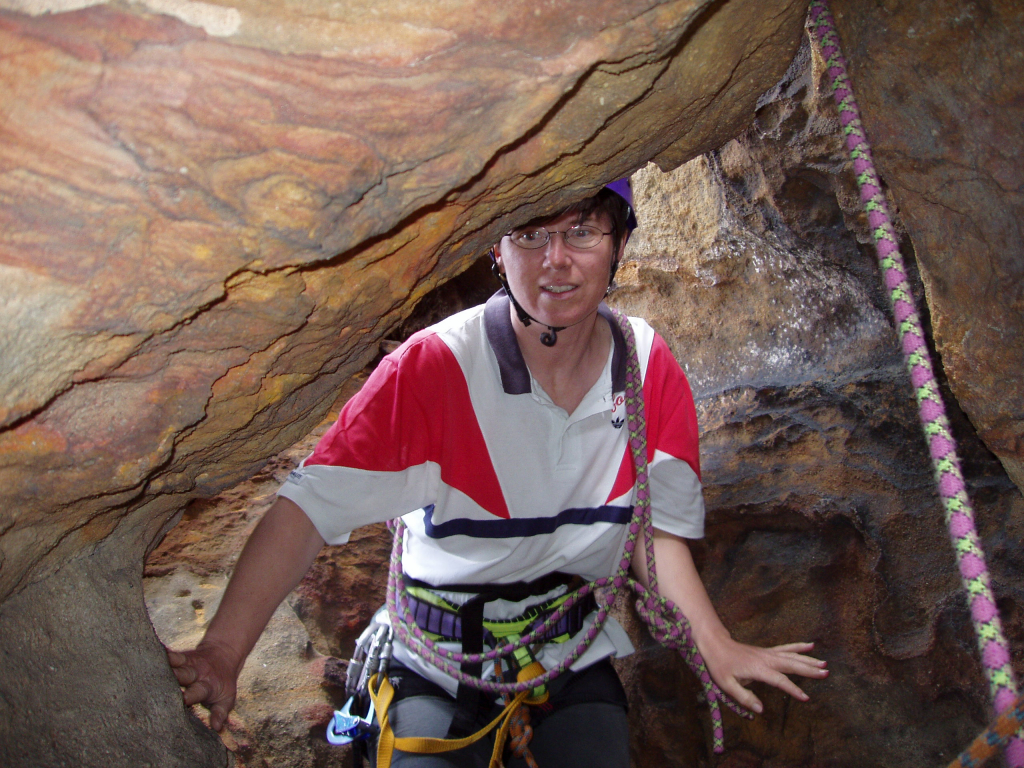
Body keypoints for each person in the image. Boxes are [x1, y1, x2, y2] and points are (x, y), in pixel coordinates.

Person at [167, 180, 828, 767]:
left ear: (619, 243)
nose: (557, 260)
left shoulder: (648, 368)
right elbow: (307, 511)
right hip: (437, 651)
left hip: (567, 644)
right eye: (530, 235)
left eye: (582, 232)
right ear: (497, 250)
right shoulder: (436, 369)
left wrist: (714, 643)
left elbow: (651, 535)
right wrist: (224, 653)